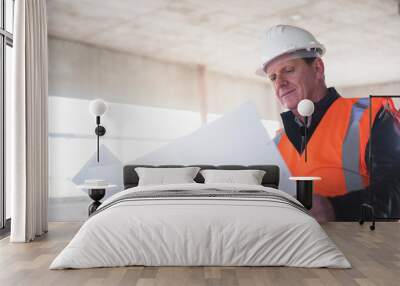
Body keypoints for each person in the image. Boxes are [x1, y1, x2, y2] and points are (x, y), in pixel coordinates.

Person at [257, 24, 400, 221]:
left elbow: (396, 189)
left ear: (317, 68)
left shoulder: (371, 116)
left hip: (358, 250)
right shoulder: (278, 143)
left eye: (288, 70)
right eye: (273, 77)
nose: (279, 83)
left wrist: (335, 209)